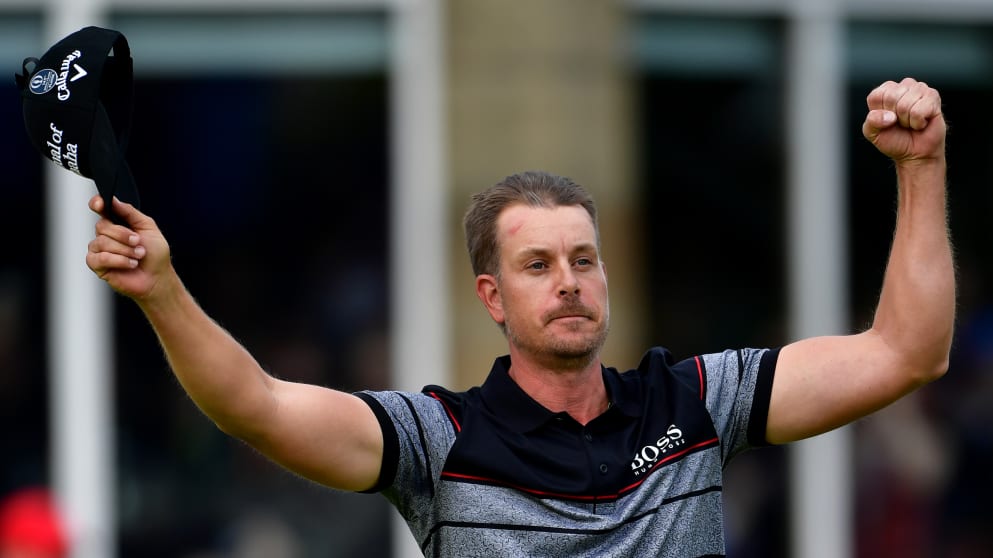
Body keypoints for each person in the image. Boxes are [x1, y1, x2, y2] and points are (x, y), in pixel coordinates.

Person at [86, 77, 954, 556]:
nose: (569, 282)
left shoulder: (694, 400)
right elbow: (257, 406)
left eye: (583, 260)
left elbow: (905, 353)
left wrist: (919, 167)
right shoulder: (438, 441)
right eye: (538, 265)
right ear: (491, 298)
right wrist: (163, 290)